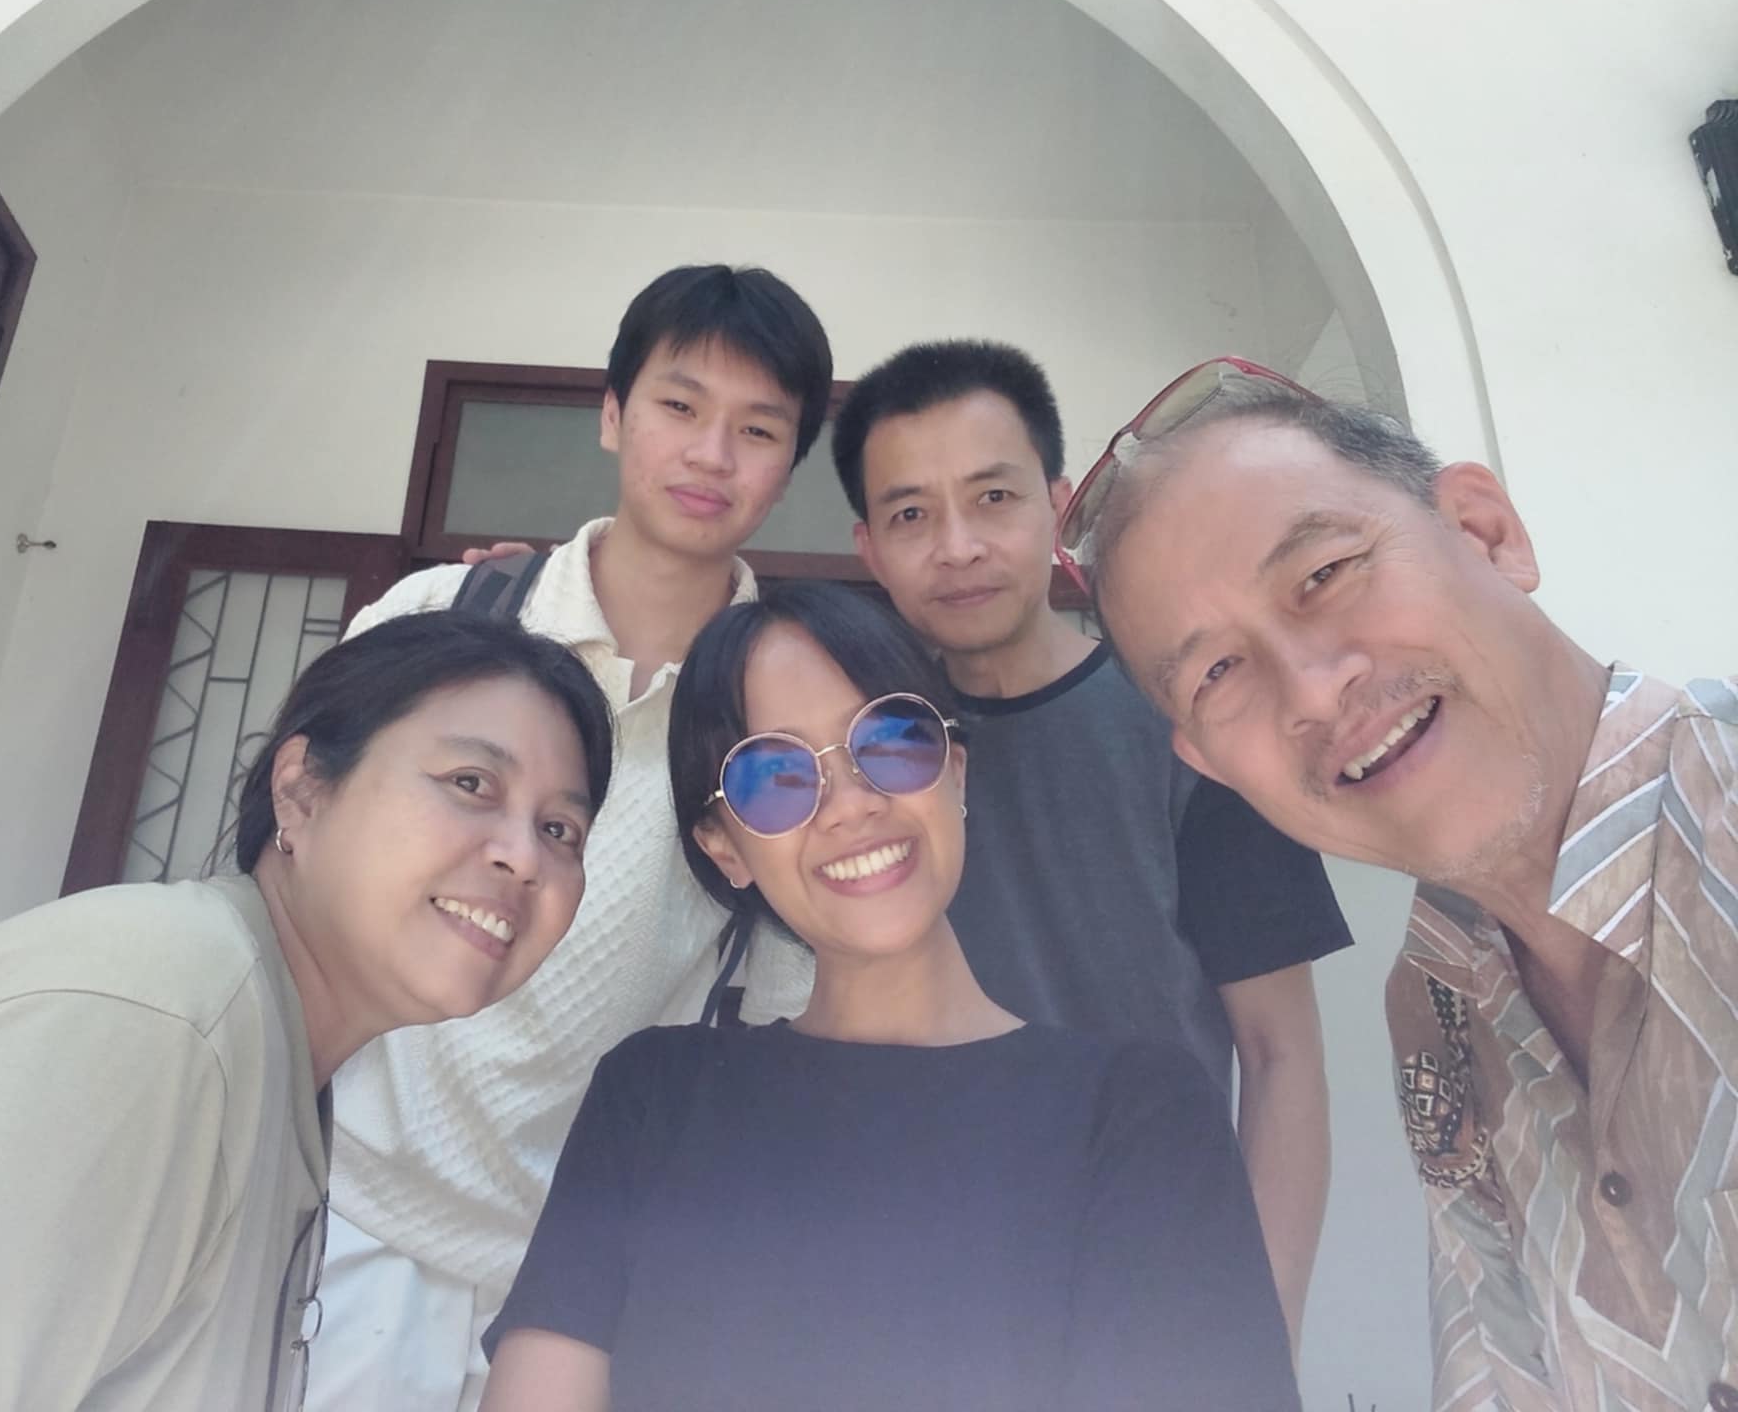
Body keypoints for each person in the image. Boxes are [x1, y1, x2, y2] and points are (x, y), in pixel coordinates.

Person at [0, 611, 613, 1412]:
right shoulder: (153, 1026)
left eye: (559, 829)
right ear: (300, 788)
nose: (523, 856)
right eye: (470, 783)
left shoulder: (266, 1058)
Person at [1075, 357, 1738, 1412]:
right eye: (1217, 673)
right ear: (1206, 764)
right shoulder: (1433, 994)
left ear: (1484, 531)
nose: (1311, 689)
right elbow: (1499, 1360)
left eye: (1324, 573)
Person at [479, 582, 1301, 1411]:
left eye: (891, 740)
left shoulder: (1139, 1115)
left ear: (955, 771)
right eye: (774, 776)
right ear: (725, 846)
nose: (850, 805)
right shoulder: (651, 1100)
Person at [309, 263, 835, 1411]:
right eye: (678, 406)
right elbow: (289, 889)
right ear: (610, 413)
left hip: (590, 1280)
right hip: (342, 1215)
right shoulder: (441, 619)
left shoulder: (780, 717)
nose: (710, 454)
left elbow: (776, 1016)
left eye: (757, 430)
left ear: (789, 465)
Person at [826, 339, 1351, 1347]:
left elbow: (1280, 1054)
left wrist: (1260, 1334)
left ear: (1058, 507)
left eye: (992, 498)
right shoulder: (854, 762)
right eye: (910, 515)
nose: (957, 547)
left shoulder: (1192, 730)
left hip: (1150, 1279)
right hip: (913, 1286)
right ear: (869, 549)